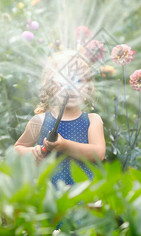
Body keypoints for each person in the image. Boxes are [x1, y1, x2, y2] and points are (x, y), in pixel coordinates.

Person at [14, 50, 105, 186]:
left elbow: (98, 154)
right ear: (51, 87)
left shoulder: (93, 120)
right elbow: (17, 148)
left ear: (88, 88)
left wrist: (65, 146)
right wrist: (33, 152)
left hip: (84, 195)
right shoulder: (39, 121)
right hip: (48, 194)